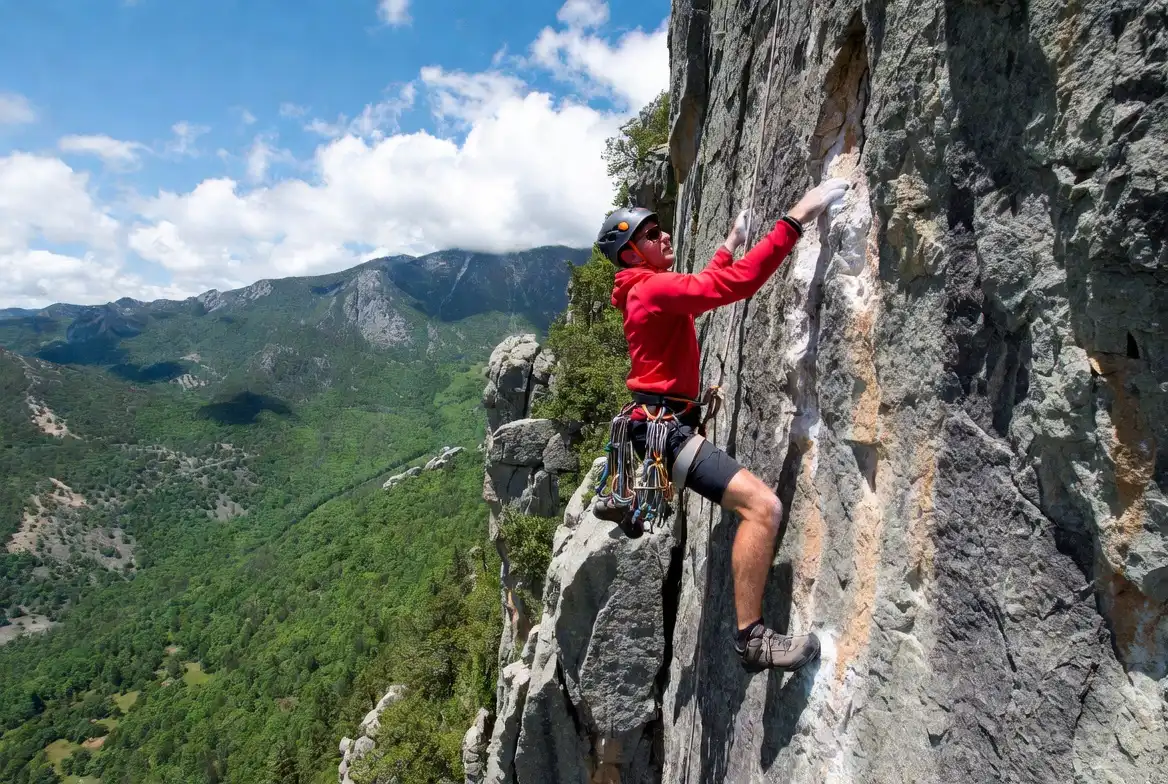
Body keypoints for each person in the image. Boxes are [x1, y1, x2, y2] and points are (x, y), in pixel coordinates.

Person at [593, 178, 850, 673]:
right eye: (651, 235)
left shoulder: (644, 290)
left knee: (750, 503)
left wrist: (729, 244)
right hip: (668, 431)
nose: (664, 236)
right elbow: (735, 286)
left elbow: (703, 286)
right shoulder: (651, 288)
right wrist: (796, 218)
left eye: (661, 229)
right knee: (763, 508)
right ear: (630, 255)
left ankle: (629, 501)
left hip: (660, 424)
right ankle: (752, 640)